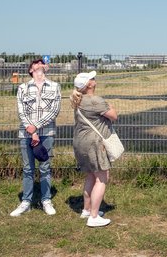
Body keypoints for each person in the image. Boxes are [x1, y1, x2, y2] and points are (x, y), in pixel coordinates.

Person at [10, 58, 61, 217]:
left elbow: (55, 111)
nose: (40, 64)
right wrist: (32, 132)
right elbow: (21, 111)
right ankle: (26, 201)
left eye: (41, 63)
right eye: (36, 63)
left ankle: (46, 200)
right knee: (28, 169)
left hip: (47, 133)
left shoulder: (55, 86)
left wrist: (36, 127)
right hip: (26, 133)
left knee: (45, 167)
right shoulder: (23, 88)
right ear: (31, 70)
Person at [71, 70, 118, 227]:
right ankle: (94, 216)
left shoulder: (78, 100)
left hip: (80, 142)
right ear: (89, 84)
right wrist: (110, 105)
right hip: (94, 143)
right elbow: (113, 116)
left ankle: (86, 209)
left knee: (91, 175)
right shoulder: (95, 100)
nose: (94, 79)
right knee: (102, 177)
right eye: (92, 78)